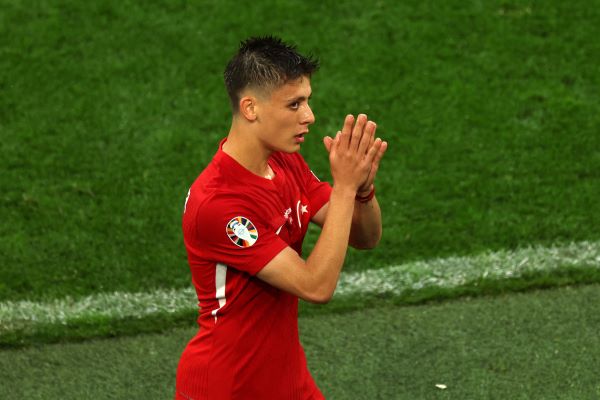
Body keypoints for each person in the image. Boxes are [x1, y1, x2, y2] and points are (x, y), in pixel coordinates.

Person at [175, 36, 387, 400]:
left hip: (288, 380)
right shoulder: (219, 204)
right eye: (294, 104)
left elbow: (364, 237)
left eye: (306, 101)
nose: (309, 116)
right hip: (228, 388)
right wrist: (344, 188)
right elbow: (315, 286)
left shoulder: (286, 162)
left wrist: (362, 192)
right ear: (250, 108)